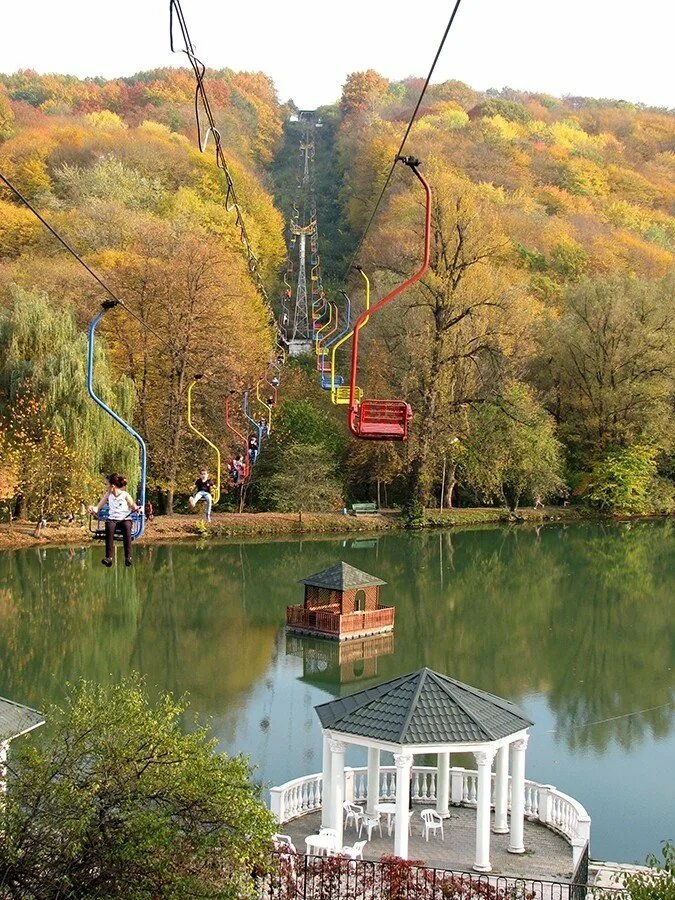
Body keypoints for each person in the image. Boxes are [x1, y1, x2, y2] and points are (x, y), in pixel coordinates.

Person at [89, 473, 140, 568]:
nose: (106, 487)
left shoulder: (125, 495)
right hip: (113, 519)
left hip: (124, 519)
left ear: (112, 486)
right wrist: (93, 509)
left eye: (107, 485)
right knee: (109, 528)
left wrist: (137, 508)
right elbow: (98, 506)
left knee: (127, 529)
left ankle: (128, 557)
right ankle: (109, 558)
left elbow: (133, 505)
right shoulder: (108, 495)